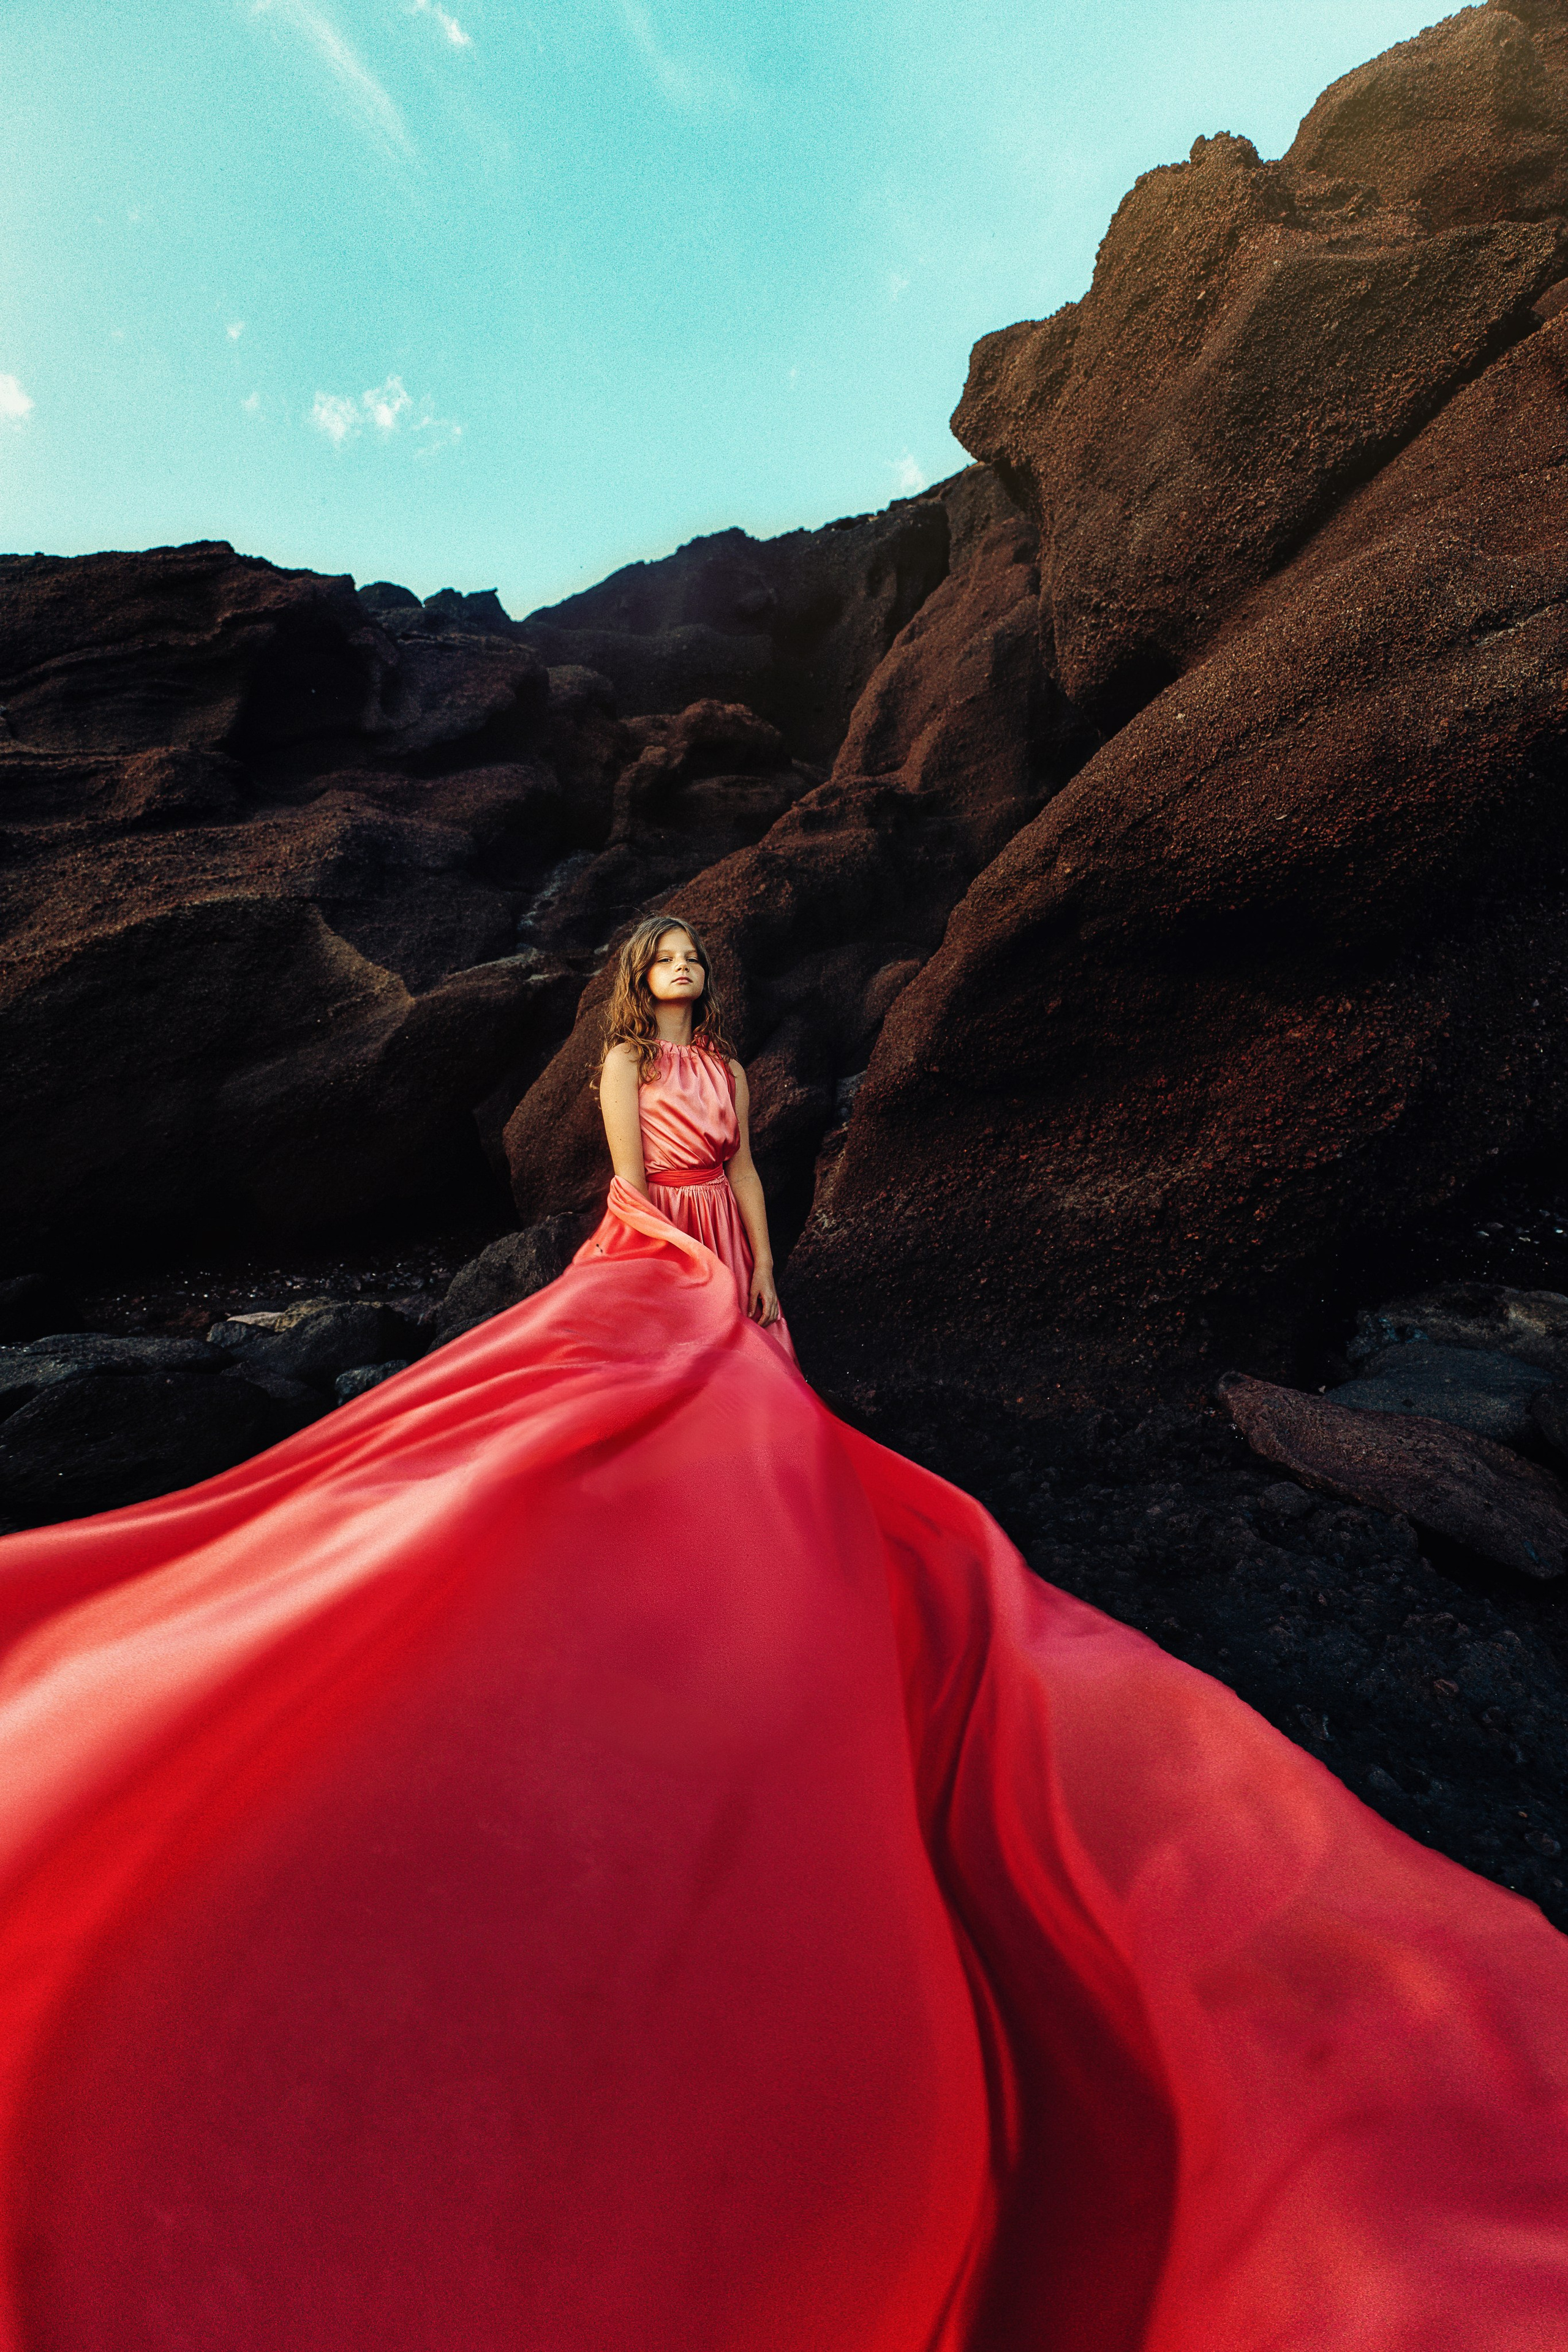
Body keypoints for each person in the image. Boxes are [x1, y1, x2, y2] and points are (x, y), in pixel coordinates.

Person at [0, 914, 1564, 2351]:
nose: (681, 966)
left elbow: (742, 1173)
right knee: (659, 1420)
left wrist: (766, 1287)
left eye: (693, 953)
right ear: (637, 977)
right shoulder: (620, 1064)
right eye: (663, 953)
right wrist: (686, 1269)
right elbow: (630, 1185)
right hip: (647, 1252)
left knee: (765, 1402)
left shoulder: (722, 1067)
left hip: (727, 1249)